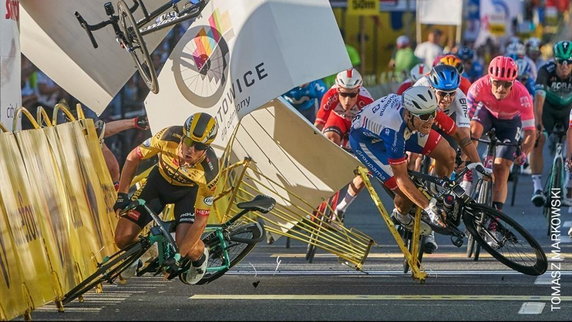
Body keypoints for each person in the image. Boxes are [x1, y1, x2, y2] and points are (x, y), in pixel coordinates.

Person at [349, 86, 470, 253]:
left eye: (433, 114)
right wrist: (428, 207)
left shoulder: (423, 108)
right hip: (368, 143)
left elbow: (458, 133)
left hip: (409, 126)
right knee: (404, 191)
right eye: (426, 116)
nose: (431, 120)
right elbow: (401, 179)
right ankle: (402, 216)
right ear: (408, 114)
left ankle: (434, 189)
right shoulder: (393, 130)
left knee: (448, 154)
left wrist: (478, 165)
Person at [113, 112, 219, 284]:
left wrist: (179, 256)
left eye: (198, 146)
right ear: (183, 137)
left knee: (188, 248)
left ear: (206, 149)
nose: (191, 149)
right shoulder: (167, 136)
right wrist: (122, 195)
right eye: (189, 142)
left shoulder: (210, 171)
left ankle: (200, 259)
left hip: (187, 195)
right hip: (157, 184)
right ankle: (145, 253)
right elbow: (133, 158)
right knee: (122, 238)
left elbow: (200, 221)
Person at [467, 56, 536, 212]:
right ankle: (467, 176)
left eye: (507, 84)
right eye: (496, 82)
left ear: (513, 82)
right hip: (487, 113)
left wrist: (524, 153)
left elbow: (531, 132)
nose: (501, 89)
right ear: (489, 79)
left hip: (510, 122)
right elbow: (465, 121)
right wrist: (462, 151)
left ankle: (495, 219)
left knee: (501, 168)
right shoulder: (478, 87)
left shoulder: (522, 95)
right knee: (473, 131)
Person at [314, 68, 374, 222]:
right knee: (330, 138)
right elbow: (319, 125)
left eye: (352, 95)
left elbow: (372, 135)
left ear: (359, 91)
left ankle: (342, 207)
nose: (347, 100)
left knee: (366, 170)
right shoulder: (330, 95)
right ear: (338, 90)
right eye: (344, 94)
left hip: (358, 127)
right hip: (338, 121)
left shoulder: (367, 102)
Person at [530, 40, 572, 206]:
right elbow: (538, 101)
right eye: (560, 61)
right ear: (554, 60)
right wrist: (538, 124)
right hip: (548, 109)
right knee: (538, 139)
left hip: (568, 109)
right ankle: (537, 187)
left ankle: (568, 182)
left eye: (569, 62)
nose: (564, 65)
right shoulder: (545, 71)